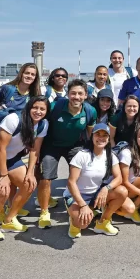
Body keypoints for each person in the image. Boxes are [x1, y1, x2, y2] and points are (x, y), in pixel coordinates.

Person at [0, 96, 48, 241]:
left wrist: (30, 173)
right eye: (35, 107)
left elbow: (34, 150)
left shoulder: (42, 124)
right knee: (2, 191)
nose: (38, 111)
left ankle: (9, 220)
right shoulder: (14, 119)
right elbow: (0, 149)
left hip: (11, 158)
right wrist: (4, 175)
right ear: (28, 107)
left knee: (29, 184)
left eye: (42, 109)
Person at [36, 79, 97, 229]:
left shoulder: (90, 111)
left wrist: (93, 156)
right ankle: (44, 212)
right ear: (68, 94)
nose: (76, 97)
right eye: (73, 93)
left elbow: (90, 135)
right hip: (52, 145)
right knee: (46, 179)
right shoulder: (56, 106)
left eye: (80, 94)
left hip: (74, 146)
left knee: (81, 175)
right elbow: (40, 122)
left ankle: (78, 202)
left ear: (86, 95)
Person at [64, 123, 129, 238]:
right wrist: (83, 205)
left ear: (109, 139)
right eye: (98, 134)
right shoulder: (82, 155)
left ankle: (102, 222)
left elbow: (119, 178)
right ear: (92, 136)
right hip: (76, 196)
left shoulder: (110, 156)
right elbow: (71, 182)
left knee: (122, 191)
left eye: (105, 135)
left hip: (96, 194)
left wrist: (106, 188)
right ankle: (74, 220)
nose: (101, 138)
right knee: (82, 224)